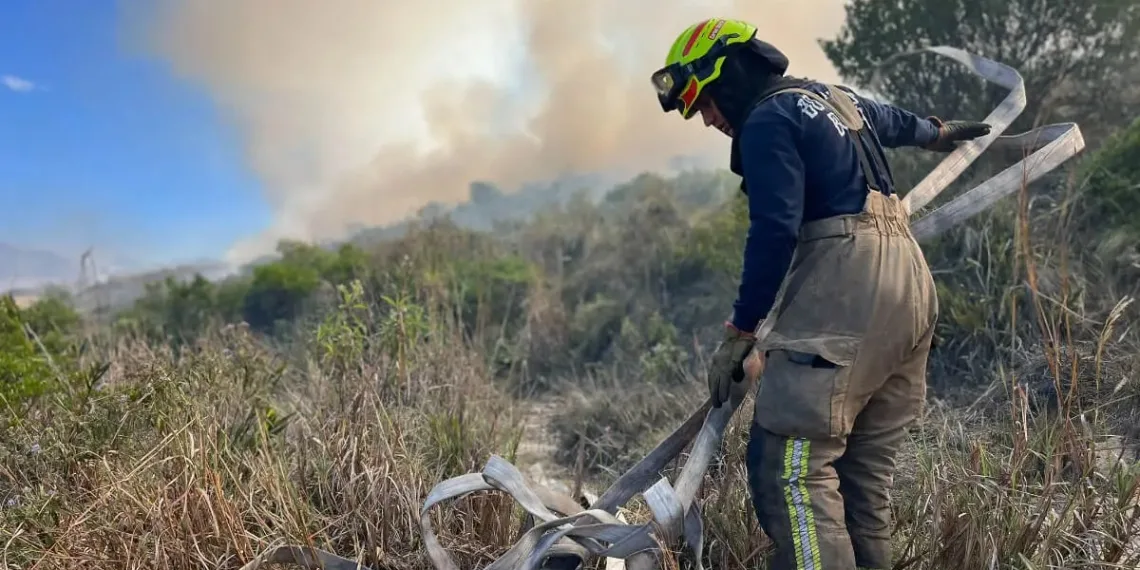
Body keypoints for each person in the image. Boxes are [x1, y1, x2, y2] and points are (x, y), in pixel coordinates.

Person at [651, 18, 991, 570]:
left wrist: (740, 331)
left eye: (707, 103)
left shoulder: (767, 120)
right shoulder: (832, 99)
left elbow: (775, 230)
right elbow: (896, 122)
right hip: (911, 287)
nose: (709, 119)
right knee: (860, 488)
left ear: (729, 76)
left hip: (849, 293)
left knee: (789, 469)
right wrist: (937, 131)